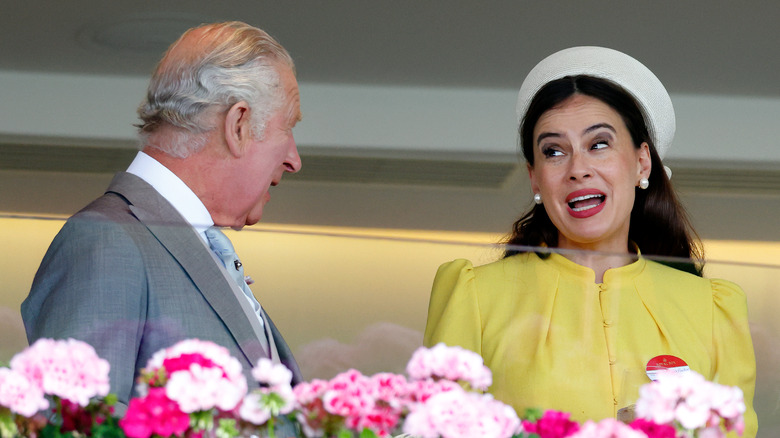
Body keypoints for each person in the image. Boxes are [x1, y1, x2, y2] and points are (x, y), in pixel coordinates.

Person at [423, 46, 757, 436]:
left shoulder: (712, 308)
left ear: (642, 162)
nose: (577, 169)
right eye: (553, 151)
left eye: (598, 144)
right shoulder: (475, 295)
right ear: (534, 178)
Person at [22, 21, 304, 414]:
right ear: (238, 124)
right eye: (287, 128)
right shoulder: (106, 240)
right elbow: (74, 424)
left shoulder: (181, 243)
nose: (294, 160)